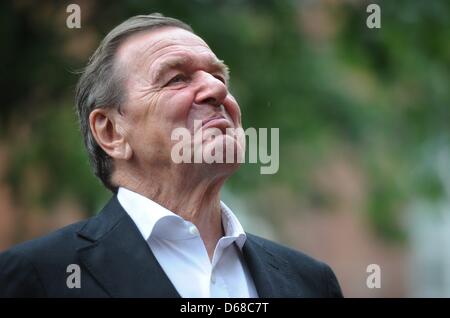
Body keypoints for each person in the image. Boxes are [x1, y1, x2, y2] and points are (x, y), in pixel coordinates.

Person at [0, 13, 343, 298]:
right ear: (111, 131)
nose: (218, 89)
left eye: (218, 75)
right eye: (177, 78)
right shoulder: (34, 278)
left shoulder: (311, 283)